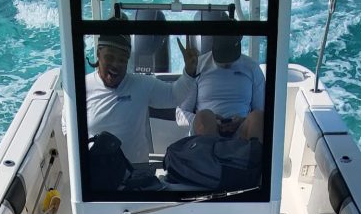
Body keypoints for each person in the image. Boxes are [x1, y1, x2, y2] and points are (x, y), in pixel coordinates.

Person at [85, 32, 199, 165]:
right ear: (98, 53)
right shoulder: (82, 87)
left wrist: (189, 71)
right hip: (95, 171)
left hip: (136, 173)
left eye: (122, 60)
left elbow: (173, 96)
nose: (115, 65)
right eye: (109, 57)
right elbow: (67, 126)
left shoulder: (141, 84)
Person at [178, 35, 265, 142]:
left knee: (258, 118)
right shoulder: (197, 66)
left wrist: (243, 120)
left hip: (242, 134)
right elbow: (180, 114)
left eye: (230, 58)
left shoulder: (252, 68)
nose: (226, 63)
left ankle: (249, 155)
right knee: (206, 117)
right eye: (221, 58)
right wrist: (207, 120)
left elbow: (261, 110)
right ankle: (210, 153)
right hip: (207, 133)